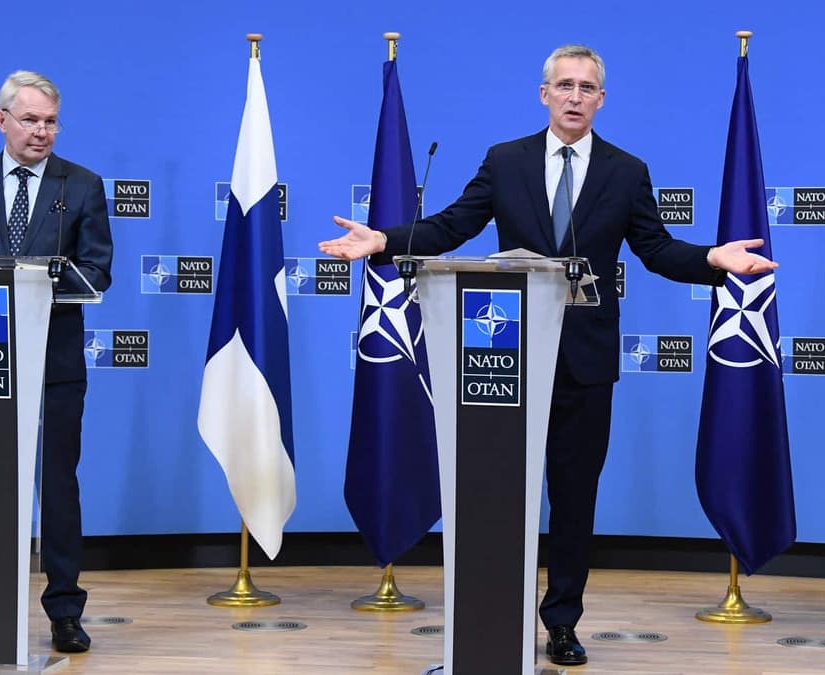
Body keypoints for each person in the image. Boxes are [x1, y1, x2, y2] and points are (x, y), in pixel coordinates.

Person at [320, 44, 776, 667]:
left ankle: (562, 622)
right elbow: (450, 227)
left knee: (573, 499)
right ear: (544, 94)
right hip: (504, 360)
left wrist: (711, 260)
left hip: (585, 367)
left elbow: (656, 249)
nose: (574, 97)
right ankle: (495, 617)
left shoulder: (625, 170)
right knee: (498, 492)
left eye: (587, 88)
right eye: (564, 85)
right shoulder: (504, 162)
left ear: (601, 100)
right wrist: (384, 240)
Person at [0, 70, 113, 652]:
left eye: (51, 121)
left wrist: (41, 282)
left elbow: (97, 271)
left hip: (55, 357)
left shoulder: (82, 185)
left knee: (58, 484)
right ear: (2, 120)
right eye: (31, 119)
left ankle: (64, 610)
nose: (42, 132)